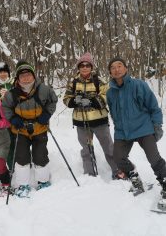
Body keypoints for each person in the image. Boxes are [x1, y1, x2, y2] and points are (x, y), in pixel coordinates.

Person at [107, 57, 166, 203]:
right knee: (118, 158)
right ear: (110, 72)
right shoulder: (110, 93)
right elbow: (113, 113)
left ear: (126, 68)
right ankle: (135, 178)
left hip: (143, 128)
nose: (116, 69)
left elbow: (153, 106)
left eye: (119, 65)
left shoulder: (139, 85)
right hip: (122, 132)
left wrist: (157, 125)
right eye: (113, 67)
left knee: (154, 159)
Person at [2, 60, 58, 198]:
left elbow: (53, 101)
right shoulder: (12, 93)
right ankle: (23, 184)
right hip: (20, 130)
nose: (26, 78)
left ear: (33, 75)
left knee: (40, 155)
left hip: (40, 127)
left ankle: (43, 182)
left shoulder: (44, 89)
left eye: (28, 74)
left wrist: (46, 115)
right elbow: (6, 108)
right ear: (18, 78)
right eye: (22, 75)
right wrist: (13, 119)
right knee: (21, 157)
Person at [63, 52, 118, 178]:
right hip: (81, 122)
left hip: (99, 121)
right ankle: (89, 173)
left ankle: (117, 170)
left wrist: (93, 101)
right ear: (79, 67)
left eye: (87, 65)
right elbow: (66, 98)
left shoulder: (99, 81)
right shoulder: (74, 82)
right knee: (86, 149)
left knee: (109, 147)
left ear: (91, 67)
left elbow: (107, 96)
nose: (85, 67)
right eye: (82, 65)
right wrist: (74, 101)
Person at [0, 62, 15, 170]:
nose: (3, 74)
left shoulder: (14, 83)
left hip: (16, 118)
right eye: (0, 72)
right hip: (3, 120)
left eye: (5, 72)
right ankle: (11, 168)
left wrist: (10, 94)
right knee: (8, 144)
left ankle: (24, 164)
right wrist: (1, 98)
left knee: (19, 143)